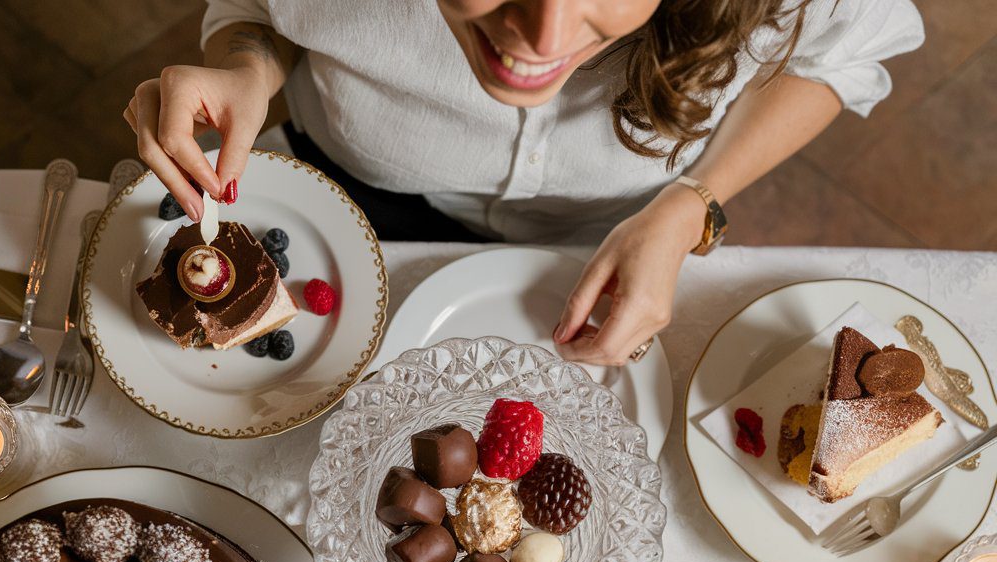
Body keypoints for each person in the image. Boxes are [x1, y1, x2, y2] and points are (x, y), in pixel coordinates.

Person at [125, 0, 923, 366]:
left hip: (620, 234)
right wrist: (247, 64)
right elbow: (258, 9)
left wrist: (692, 204)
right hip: (343, 197)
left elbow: (839, 54)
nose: (541, 39)